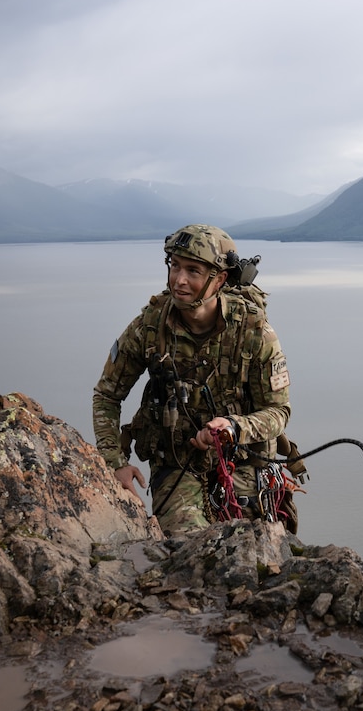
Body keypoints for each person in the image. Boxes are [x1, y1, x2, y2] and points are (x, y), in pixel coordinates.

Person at [92, 224, 295, 536]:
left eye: (193, 270)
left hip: (243, 465)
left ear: (220, 279)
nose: (179, 280)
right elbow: (106, 396)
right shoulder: (149, 327)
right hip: (177, 466)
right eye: (174, 266)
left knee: (259, 549)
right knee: (191, 547)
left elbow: (278, 413)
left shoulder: (254, 333)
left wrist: (233, 426)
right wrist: (114, 462)